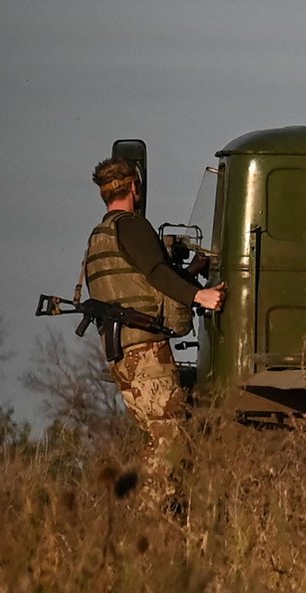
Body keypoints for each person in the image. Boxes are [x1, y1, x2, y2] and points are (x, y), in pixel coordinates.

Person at [85, 157, 226, 504]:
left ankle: (151, 516)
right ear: (134, 187)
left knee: (157, 437)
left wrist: (190, 271)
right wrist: (200, 295)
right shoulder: (133, 226)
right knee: (171, 440)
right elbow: (155, 274)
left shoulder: (100, 237)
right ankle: (151, 519)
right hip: (145, 352)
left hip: (121, 353)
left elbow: (141, 283)